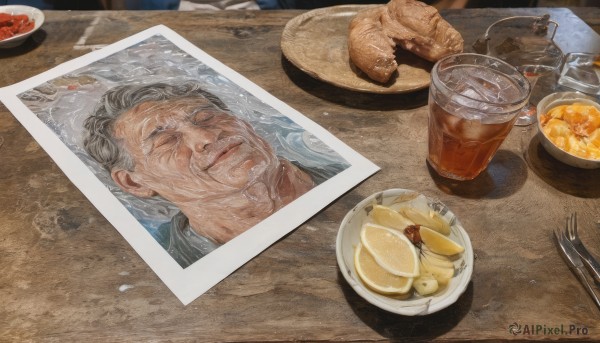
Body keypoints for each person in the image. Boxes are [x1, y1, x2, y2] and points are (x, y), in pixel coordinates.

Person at [83, 81, 315, 267]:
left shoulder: (335, 172)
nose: (207, 138)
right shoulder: (175, 261)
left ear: (245, 123)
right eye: (166, 141)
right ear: (133, 182)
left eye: (206, 118)